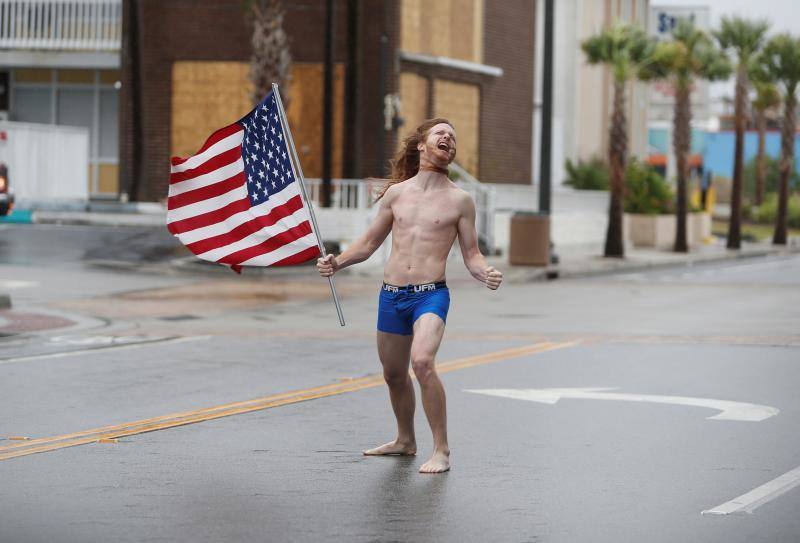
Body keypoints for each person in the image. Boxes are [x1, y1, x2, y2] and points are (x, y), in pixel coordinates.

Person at [316, 118, 503, 474]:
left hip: (430, 295)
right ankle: (405, 440)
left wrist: (485, 273)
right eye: (440, 133)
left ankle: (442, 450)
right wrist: (336, 262)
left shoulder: (461, 201)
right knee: (393, 374)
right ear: (421, 145)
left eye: (453, 135)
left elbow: (472, 255)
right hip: (391, 295)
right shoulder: (396, 194)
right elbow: (369, 243)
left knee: (422, 362)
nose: (448, 137)